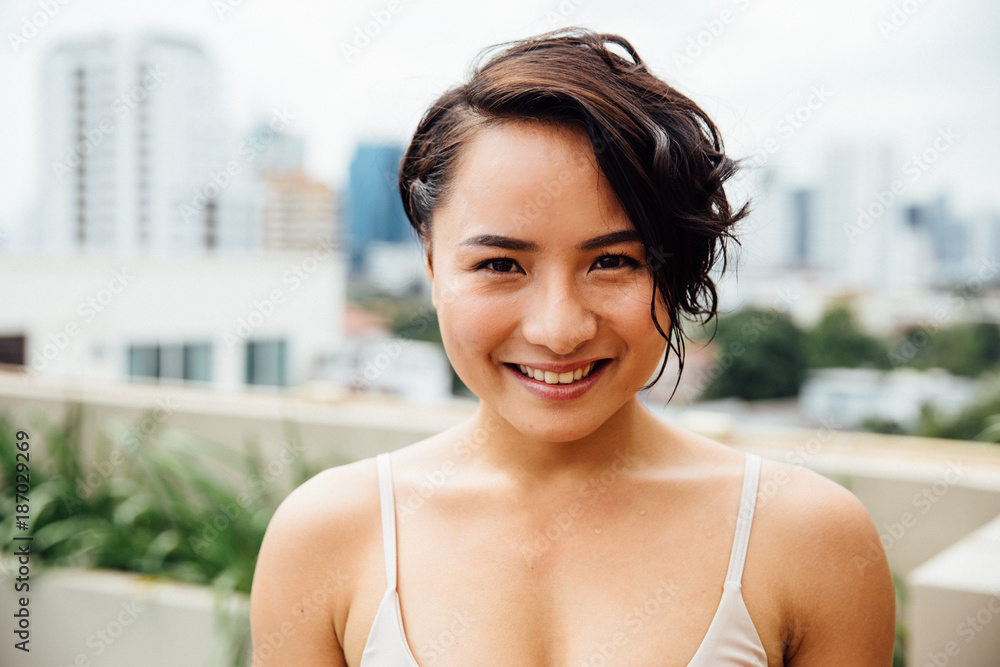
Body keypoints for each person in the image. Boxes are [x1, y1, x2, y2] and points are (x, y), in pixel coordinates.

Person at [250, 28, 896, 665]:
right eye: (501, 264)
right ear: (431, 267)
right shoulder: (328, 535)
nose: (559, 330)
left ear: (675, 272)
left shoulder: (807, 538)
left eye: (612, 260)